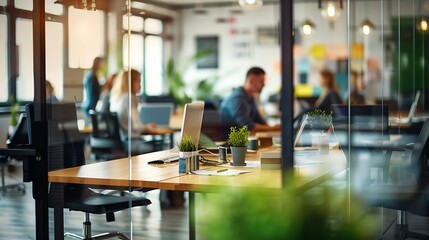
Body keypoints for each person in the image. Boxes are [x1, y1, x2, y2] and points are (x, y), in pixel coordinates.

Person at [109, 69, 157, 154]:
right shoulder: (129, 99)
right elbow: (137, 126)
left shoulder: (116, 98)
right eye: (138, 81)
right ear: (130, 82)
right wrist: (148, 127)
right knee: (159, 148)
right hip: (131, 143)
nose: (140, 85)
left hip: (120, 142)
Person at [221, 67, 280, 135]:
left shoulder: (250, 97)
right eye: (261, 81)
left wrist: (273, 128)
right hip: (231, 142)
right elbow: (247, 126)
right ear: (251, 81)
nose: (264, 85)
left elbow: (259, 120)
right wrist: (272, 128)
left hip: (245, 139)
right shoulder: (238, 98)